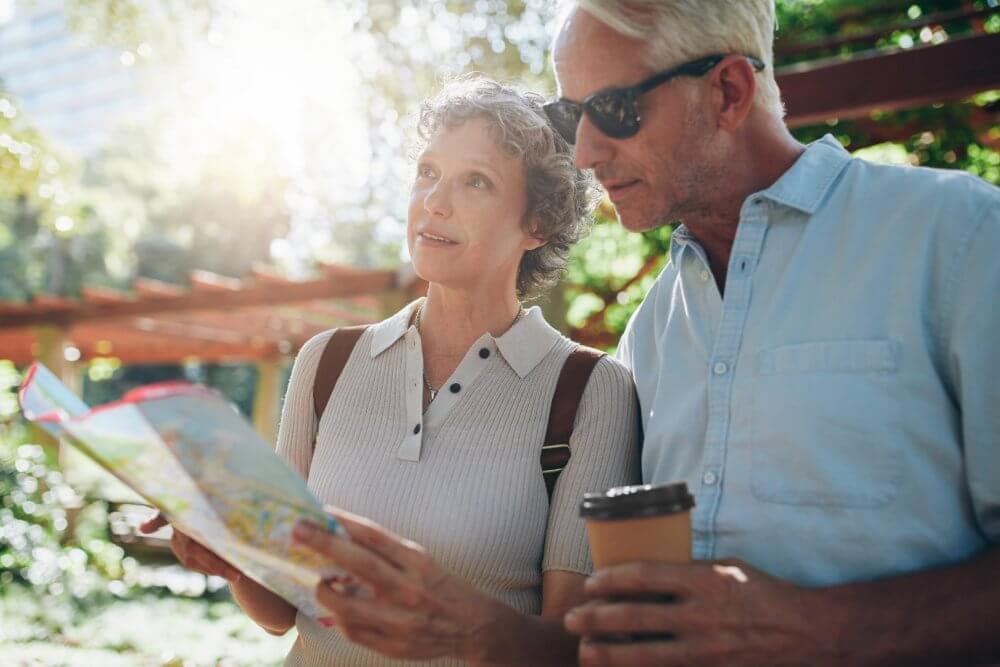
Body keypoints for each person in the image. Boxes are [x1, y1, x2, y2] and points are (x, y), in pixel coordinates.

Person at [546, 1, 1000, 666]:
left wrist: (817, 627)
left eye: (614, 109)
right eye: (569, 115)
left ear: (729, 91)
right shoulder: (648, 333)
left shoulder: (960, 238)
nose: (584, 152)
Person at [143, 75, 640, 666]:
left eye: (475, 182)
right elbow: (281, 611)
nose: (434, 201)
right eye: (427, 173)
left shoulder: (591, 392)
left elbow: (571, 651)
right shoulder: (326, 361)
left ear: (540, 224)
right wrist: (225, 545)